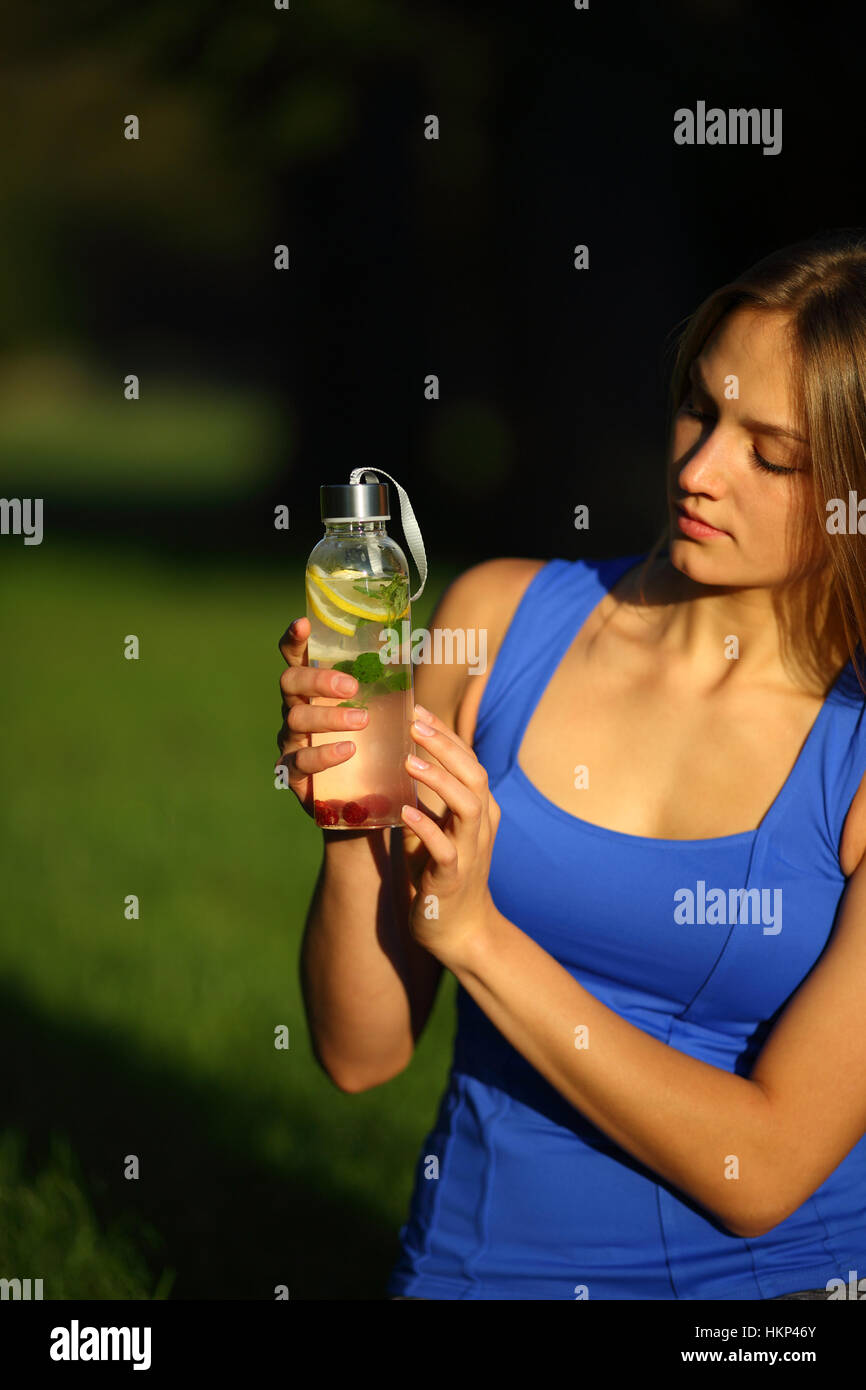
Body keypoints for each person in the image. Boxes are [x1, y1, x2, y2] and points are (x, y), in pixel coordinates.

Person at [277, 228, 866, 1300]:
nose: (697, 470)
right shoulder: (497, 620)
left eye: (769, 454)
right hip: (470, 1274)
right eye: (699, 409)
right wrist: (350, 818)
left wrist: (477, 938)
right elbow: (358, 1056)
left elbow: (763, 1172)